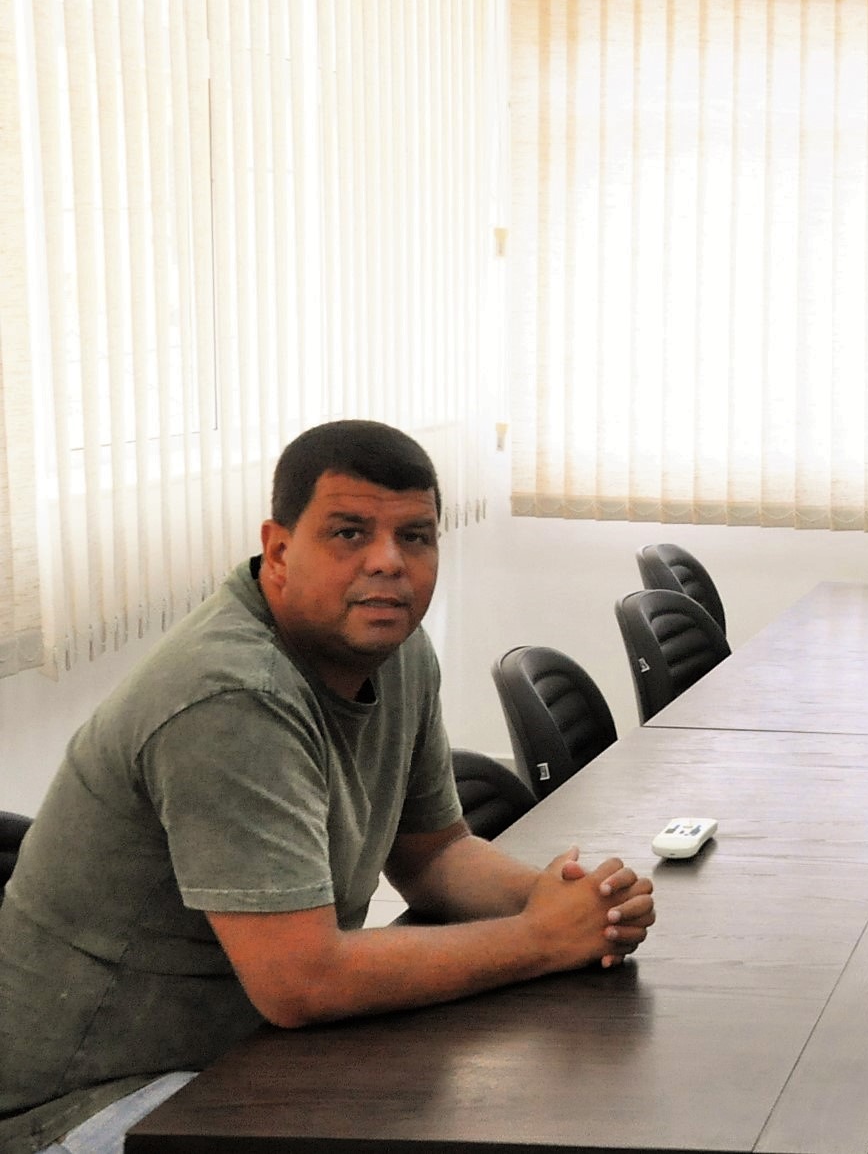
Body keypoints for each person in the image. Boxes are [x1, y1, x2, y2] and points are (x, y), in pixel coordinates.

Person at [0, 420, 657, 1154]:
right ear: (278, 550)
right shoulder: (232, 695)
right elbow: (303, 981)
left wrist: (563, 901)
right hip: (92, 1103)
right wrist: (539, 938)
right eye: (348, 533)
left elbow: (433, 852)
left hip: (249, 1058)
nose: (388, 563)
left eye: (416, 536)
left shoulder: (397, 652)